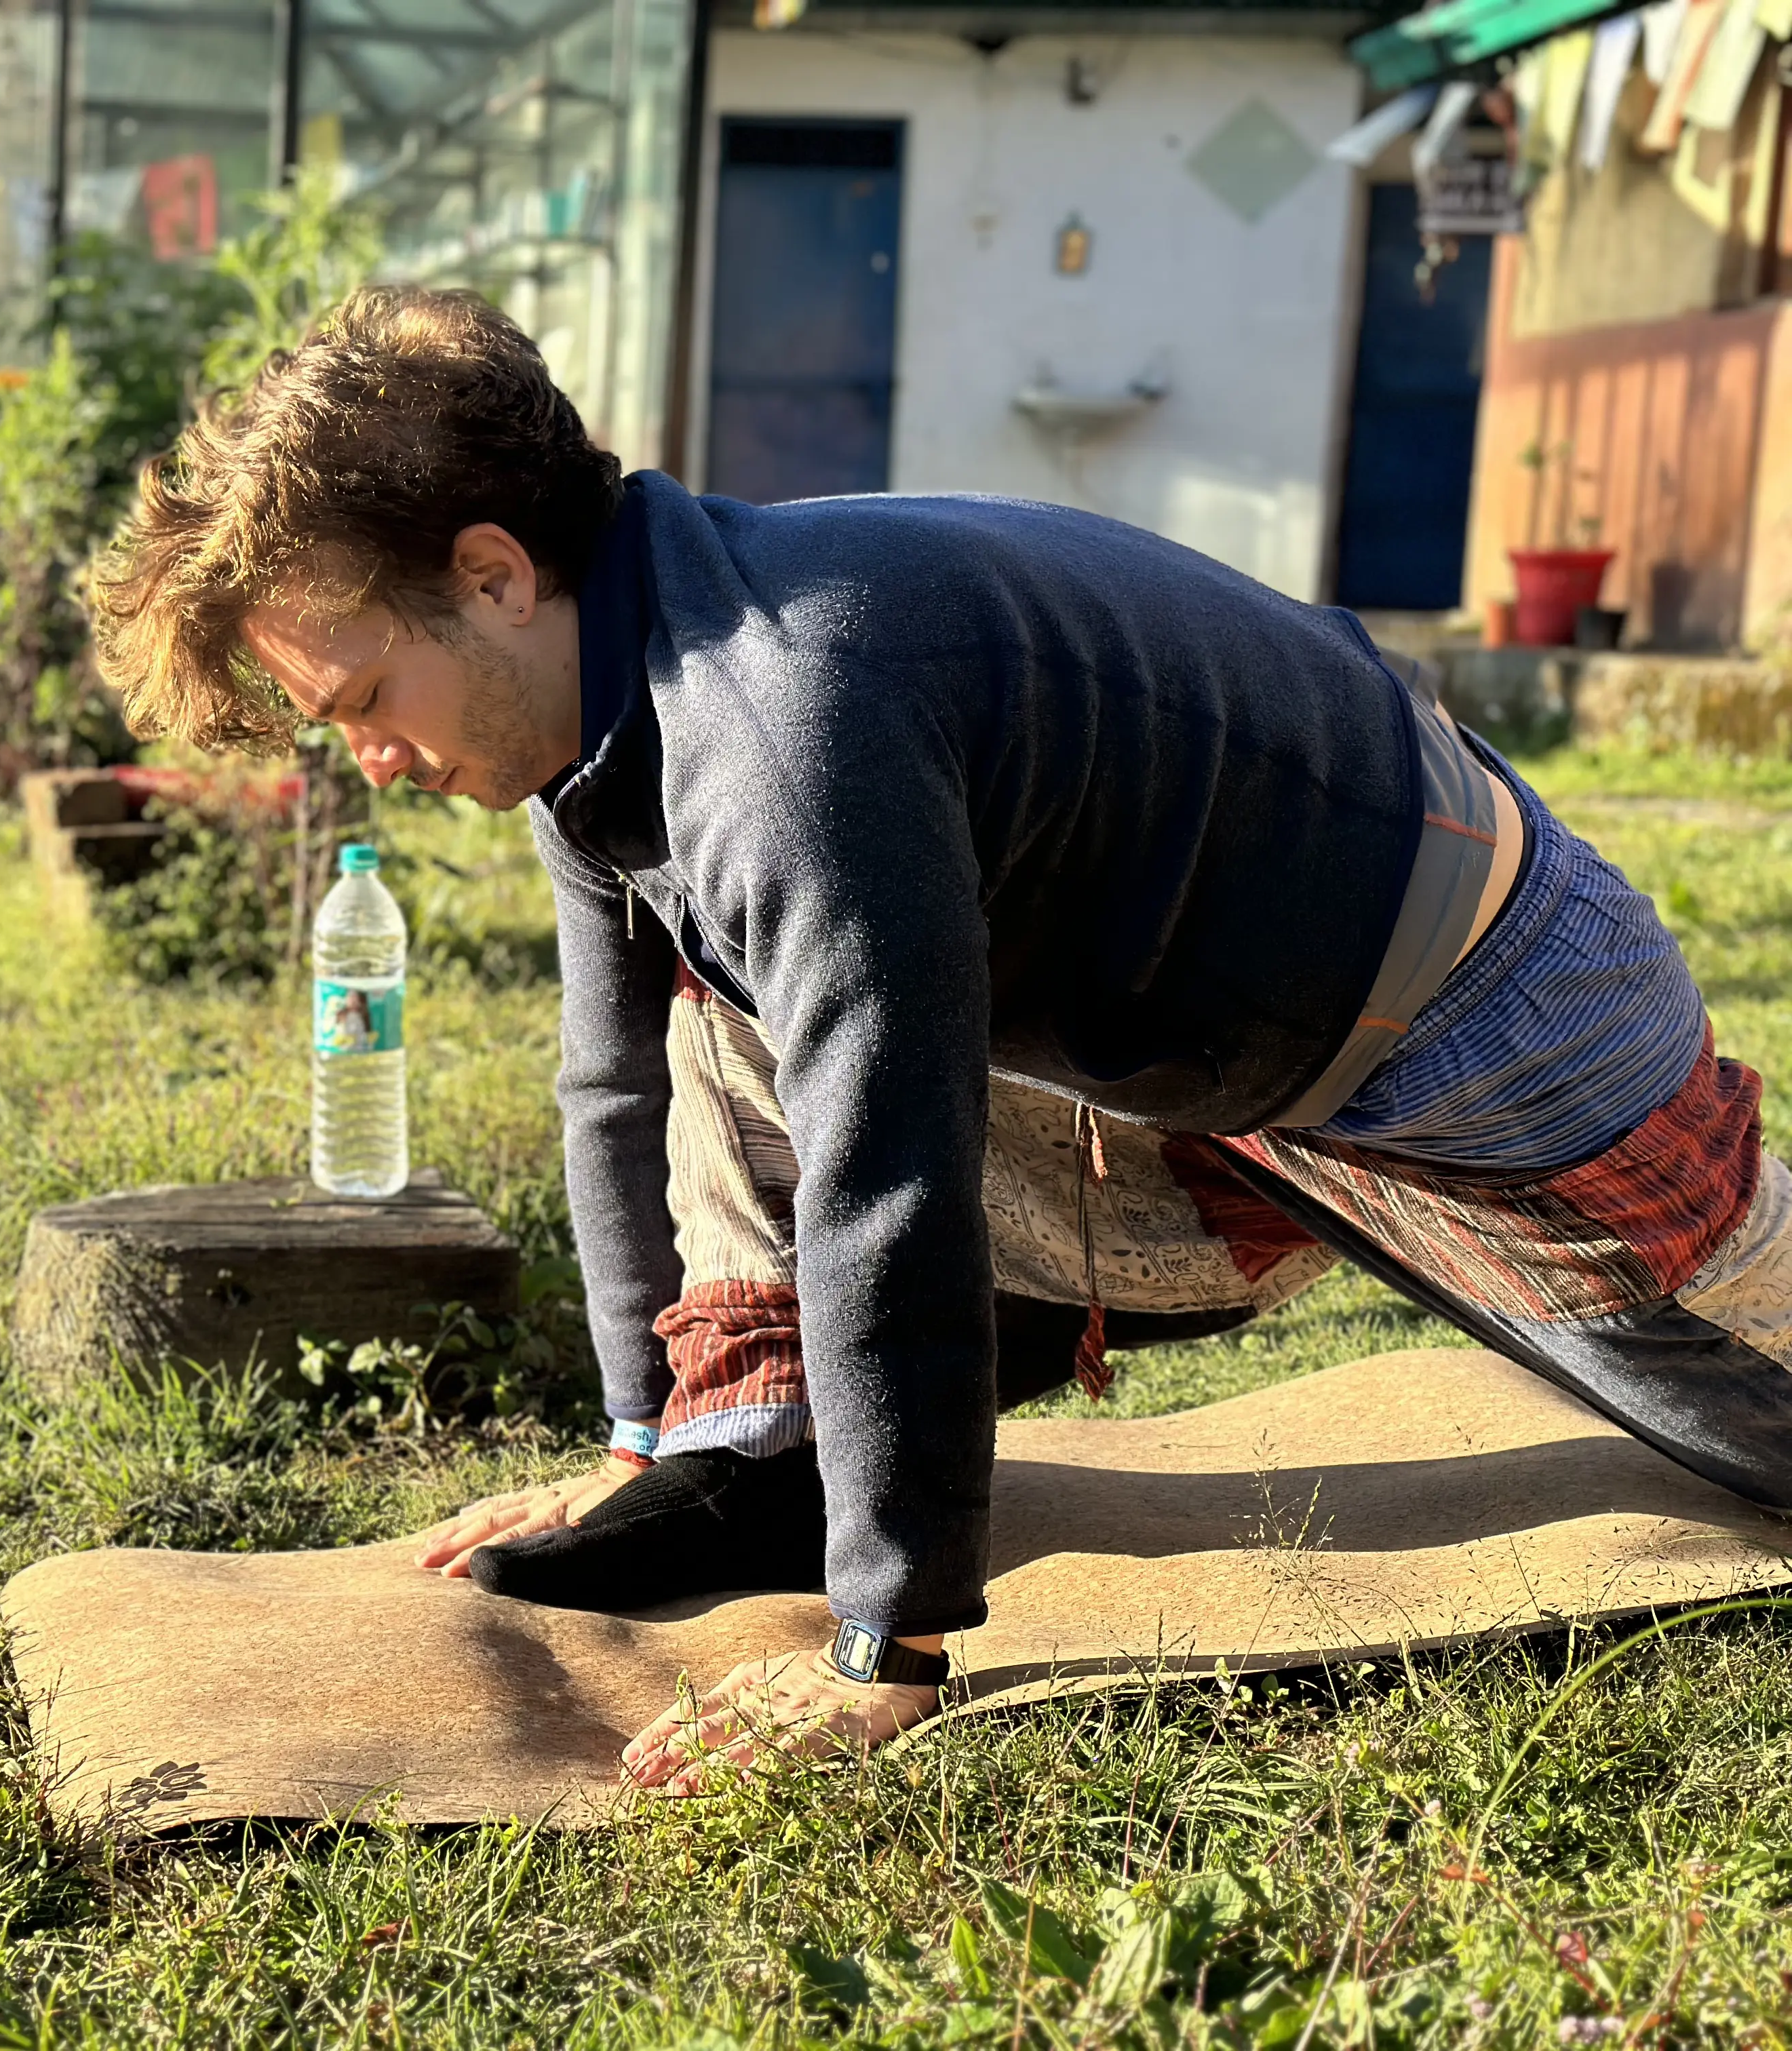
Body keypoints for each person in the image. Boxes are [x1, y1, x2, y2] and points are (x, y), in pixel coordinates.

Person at [87, 286, 1792, 1793]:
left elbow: (890, 1175)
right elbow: (610, 1081)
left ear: (492, 574)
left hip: (1488, 1026)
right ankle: (747, 1451)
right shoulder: (595, 714)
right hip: (1199, 1063)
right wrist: (635, 1450)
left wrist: (888, 1653)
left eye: (363, 701)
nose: (371, 759)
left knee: (1766, 1438)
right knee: (721, 1014)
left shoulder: (778, 724)